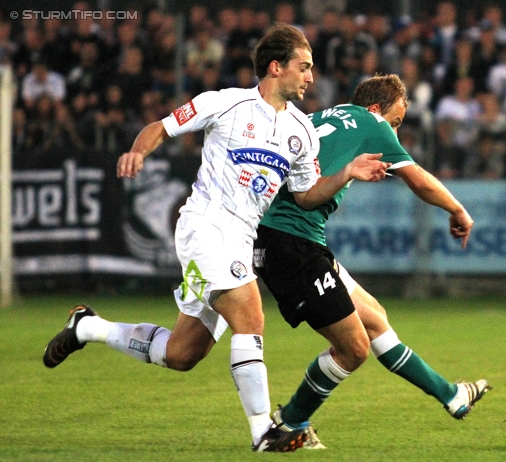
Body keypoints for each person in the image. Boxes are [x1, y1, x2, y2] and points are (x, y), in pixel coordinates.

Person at [42, 24, 389, 453]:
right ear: (276, 67)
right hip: (205, 225)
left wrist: (346, 174)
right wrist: (137, 150)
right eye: (304, 67)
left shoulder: (302, 131)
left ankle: (88, 327)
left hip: (241, 238)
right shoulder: (224, 104)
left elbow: (304, 196)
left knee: (182, 353)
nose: (311, 78)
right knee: (250, 314)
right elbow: (161, 126)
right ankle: (264, 431)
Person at [253, 75, 490, 448]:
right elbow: (419, 179)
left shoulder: (318, 118)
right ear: (377, 109)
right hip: (292, 244)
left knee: (375, 318)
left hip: (287, 239)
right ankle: (287, 424)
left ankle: (451, 395)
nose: (393, 132)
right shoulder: (372, 122)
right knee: (354, 349)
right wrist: (458, 209)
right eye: (396, 121)